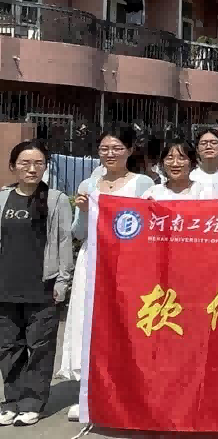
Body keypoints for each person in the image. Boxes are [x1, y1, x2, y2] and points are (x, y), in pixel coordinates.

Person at [59, 127, 156, 414]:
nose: (110, 154)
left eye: (116, 148)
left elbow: (148, 226)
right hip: (93, 259)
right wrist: (83, 211)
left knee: (122, 321)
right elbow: (79, 233)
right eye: (104, 148)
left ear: (129, 150)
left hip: (127, 263)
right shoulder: (88, 184)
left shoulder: (143, 183)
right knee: (88, 320)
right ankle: (89, 391)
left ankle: (125, 390)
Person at [0, 142, 72, 427]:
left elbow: (64, 241)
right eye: (25, 163)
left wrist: (62, 280)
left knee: (40, 349)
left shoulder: (55, 199)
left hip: (42, 288)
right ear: (13, 166)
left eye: (38, 163)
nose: (32, 169)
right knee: (8, 347)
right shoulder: (3, 198)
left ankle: (32, 403)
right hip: (5, 287)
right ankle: (12, 401)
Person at [143, 139, 210, 200]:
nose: (175, 164)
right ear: (162, 163)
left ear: (192, 162)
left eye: (181, 159)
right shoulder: (153, 193)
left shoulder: (203, 192)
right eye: (170, 158)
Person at [190, 127, 218, 198]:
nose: (208, 146)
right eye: (203, 143)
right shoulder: (189, 176)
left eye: (214, 143)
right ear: (197, 149)